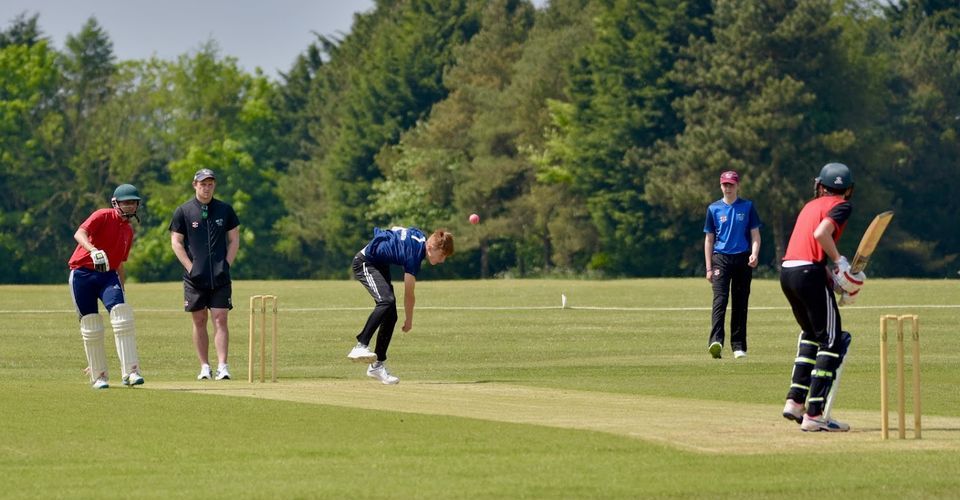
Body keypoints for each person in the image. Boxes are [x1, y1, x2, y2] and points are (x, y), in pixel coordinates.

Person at [779, 162, 864, 432]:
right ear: (848, 189)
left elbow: (807, 248)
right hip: (808, 273)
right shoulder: (842, 205)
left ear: (820, 185)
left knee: (811, 333)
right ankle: (815, 414)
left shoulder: (809, 206)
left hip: (788, 272)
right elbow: (821, 234)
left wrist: (833, 279)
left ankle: (795, 401)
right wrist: (840, 262)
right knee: (831, 340)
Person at [347, 226, 455, 384]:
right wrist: (409, 320)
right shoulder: (414, 256)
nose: (442, 260)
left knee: (391, 315)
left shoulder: (419, 235)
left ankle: (377, 366)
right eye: (442, 255)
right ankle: (360, 345)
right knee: (386, 301)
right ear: (431, 247)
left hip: (380, 264)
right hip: (365, 262)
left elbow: (396, 228)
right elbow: (409, 294)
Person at [68, 184, 145, 389]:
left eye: (133, 203)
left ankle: (131, 372)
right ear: (115, 203)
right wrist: (93, 250)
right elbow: (79, 233)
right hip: (82, 274)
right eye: (125, 203)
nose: (130, 206)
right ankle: (98, 375)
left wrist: (122, 288)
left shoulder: (128, 231)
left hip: (108, 276)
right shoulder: (102, 215)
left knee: (122, 313)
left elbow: (119, 263)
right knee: (90, 323)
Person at [169, 168, 240, 381]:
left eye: (210, 184)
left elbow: (234, 239)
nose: (207, 188)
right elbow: (176, 242)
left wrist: (226, 264)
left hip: (220, 276)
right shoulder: (183, 211)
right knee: (199, 320)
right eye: (203, 184)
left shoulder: (225, 210)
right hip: (195, 278)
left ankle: (223, 366)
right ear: (195, 185)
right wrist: (190, 267)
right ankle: (204, 367)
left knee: (221, 318)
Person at [703, 170, 762, 359]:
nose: (728, 188)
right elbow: (709, 239)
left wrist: (754, 254)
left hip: (743, 259)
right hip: (721, 258)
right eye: (725, 185)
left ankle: (738, 346)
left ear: (737, 186)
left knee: (740, 302)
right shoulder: (713, 209)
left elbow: (755, 235)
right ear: (721, 186)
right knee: (720, 301)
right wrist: (709, 268)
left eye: (731, 184)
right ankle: (716, 342)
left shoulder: (747, 206)